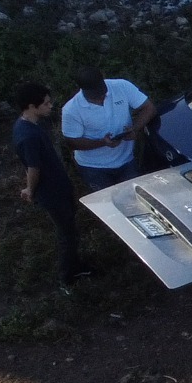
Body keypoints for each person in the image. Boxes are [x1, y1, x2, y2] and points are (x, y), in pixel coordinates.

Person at [12, 81, 87, 287]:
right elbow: (33, 167)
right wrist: (30, 189)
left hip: (59, 186)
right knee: (67, 235)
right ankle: (68, 277)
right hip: (52, 193)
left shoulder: (31, 125)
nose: (50, 106)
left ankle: (75, 266)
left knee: (70, 230)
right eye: (45, 103)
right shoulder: (28, 136)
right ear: (31, 106)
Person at [60, 73, 152, 192]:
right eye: (95, 96)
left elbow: (149, 108)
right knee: (106, 201)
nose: (101, 98)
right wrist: (102, 143)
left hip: (127, 160)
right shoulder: (71, 110)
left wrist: (135, 128)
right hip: (94, 168)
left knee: (135, 196)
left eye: (103, 93)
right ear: (82, 90)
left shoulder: (121, 86)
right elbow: (72, 143)